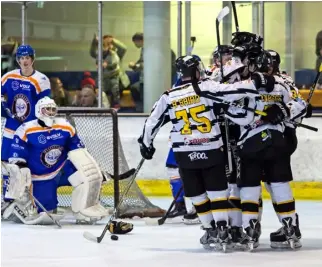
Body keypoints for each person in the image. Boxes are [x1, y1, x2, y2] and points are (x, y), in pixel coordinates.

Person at [138, 55, 274, 251]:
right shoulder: (206, 87)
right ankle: (222, 229)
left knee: (196, 193)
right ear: (196, 70)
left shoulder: (169, 96)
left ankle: (210, 229)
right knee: (217, 191)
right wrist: (258, 81)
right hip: (211, 148)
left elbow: (152, 121)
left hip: (184, 152)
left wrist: (146, 144)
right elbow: (237, 90)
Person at [2, 97, 133, 234]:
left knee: (85, 177)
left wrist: (92, 169)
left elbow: (78, 149)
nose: (51, 112)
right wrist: (21, 166)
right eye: (47, 109)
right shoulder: (26, 129)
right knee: (48, 212)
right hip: (40, 177)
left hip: (62, 169)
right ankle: (18, 206)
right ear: (39, 111)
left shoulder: (65, 126)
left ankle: (83, 211)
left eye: (53, 109)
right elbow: (17, 152)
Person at [1, 44, 51, 212]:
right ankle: (7, 198)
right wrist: (1, 103)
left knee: (27, 165)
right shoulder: (9, 77)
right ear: (18, 60)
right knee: (7, 163)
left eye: (27, 58)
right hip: (11, 128)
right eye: (21, 58)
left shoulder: (42, 80)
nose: (24, 61)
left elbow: (46, 105)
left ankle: (27, 199)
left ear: (32, 59)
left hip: (30, 131)